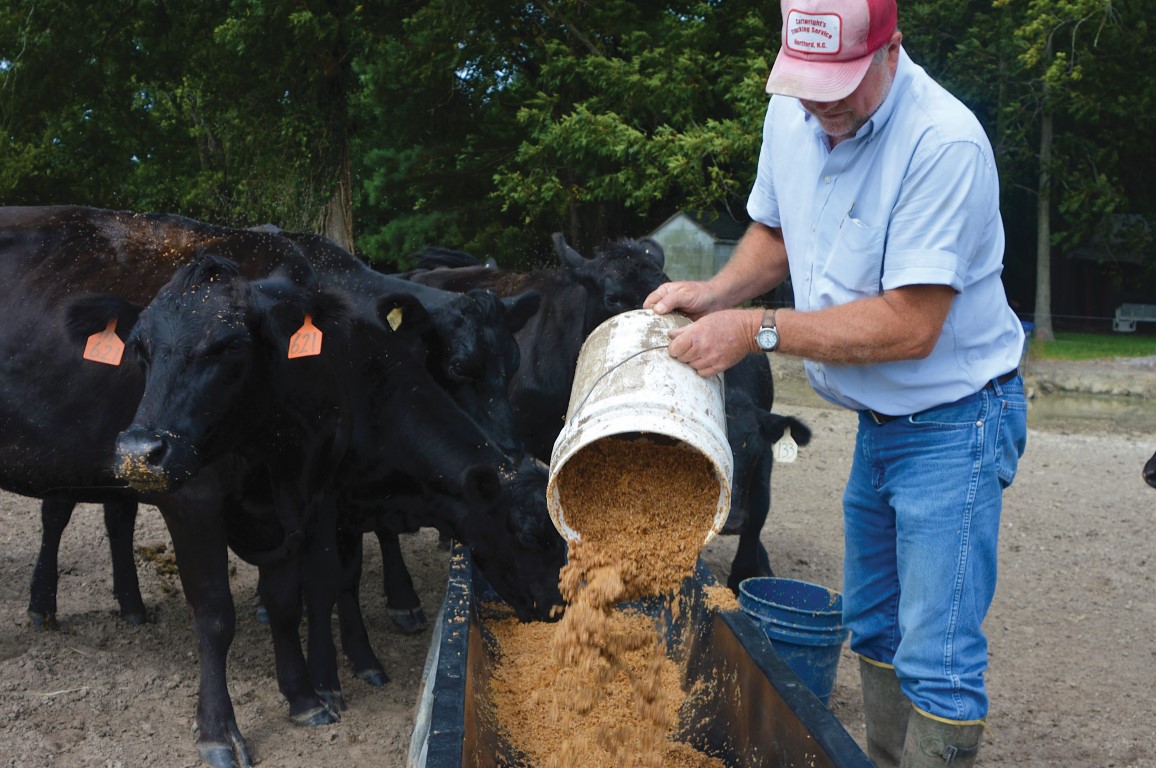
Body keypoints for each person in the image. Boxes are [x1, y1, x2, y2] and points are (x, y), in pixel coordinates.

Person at [644, 0, 1028, 765]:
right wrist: (718, 292)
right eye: (808, 85)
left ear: (891, 51)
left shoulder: (942, 143)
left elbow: (911, 324)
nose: (823, 105)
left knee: (937, 657)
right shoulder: (798, 113)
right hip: (879, 425)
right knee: (876, 625)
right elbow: (777, 229)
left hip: (955, 422)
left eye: (841, 85)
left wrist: (755, 327)